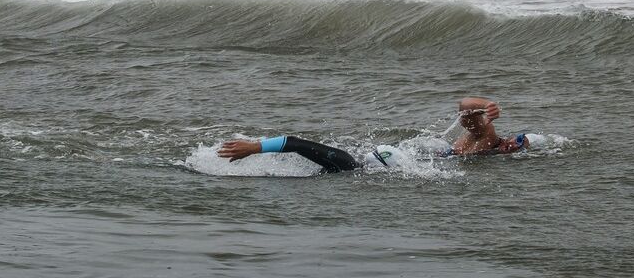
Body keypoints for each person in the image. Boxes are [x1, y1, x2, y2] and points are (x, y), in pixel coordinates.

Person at [216, 97, 529, 172]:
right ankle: (255, 146)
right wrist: (488, 106)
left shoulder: (479, 151)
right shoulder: (483, 141)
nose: (512, 148)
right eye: (515, 143)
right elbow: (465, 106)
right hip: (366, 162)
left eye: (518, 147)